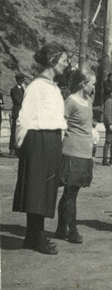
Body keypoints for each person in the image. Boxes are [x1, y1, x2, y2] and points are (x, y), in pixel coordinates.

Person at [13, 43, 70, 255]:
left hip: (52, 141)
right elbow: (24, 118)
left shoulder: (53, 86)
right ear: (52, 61)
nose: (66, 65)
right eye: (63, 61)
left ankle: (31, 237)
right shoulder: (36, 86)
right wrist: (22, 145)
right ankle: (38, 238)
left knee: (45, 191)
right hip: (38, 141)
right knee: (37, 191)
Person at [54, 70, 96, 245]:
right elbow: (60, 125)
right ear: (82, 83)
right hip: (72, 152)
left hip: (85, 152)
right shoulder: (70, 101)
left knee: (71, 192)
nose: (93, 87)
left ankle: (61, 228)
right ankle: (73, 231)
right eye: (92, 83)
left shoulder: (88, 101)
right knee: (70, 193)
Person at [9, 73, 26, 156]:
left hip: (23, 112)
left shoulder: (24, 90)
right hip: (16, 112)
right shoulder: (13, 90)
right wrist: (24, 93)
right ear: (17, 80)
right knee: (14, 130)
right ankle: (12, 148)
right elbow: (17, 101)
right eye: (20, 80)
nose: (22, 82)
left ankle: (18, 149)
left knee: (21, 130)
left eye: (23, 80)